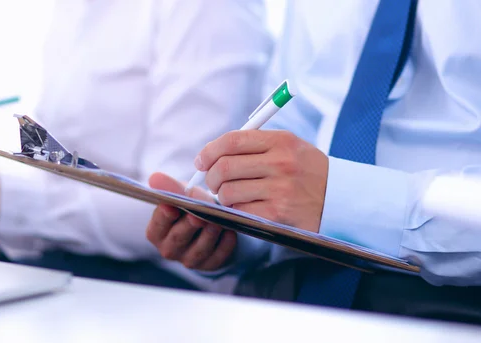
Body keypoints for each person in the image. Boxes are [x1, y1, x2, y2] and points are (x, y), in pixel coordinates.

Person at [0, 0, 272, 292]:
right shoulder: (75, 12)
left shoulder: (206, 9)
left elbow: (176, 204)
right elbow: (58, 216)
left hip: (159, 296)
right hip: (77, 278)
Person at [144, 0, 481, 323]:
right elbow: (295, 120)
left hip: (445, 304)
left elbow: (321, 191)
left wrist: (342, 201)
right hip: (284, 291)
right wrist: (242, 226)